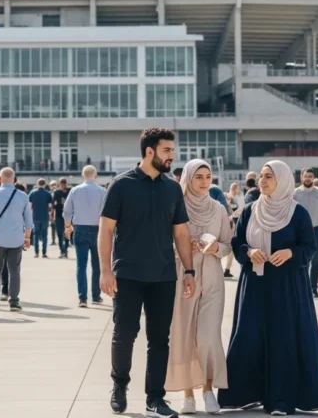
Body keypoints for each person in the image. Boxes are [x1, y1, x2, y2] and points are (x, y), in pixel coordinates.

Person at [218, 160, 318, 415]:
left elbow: (310, 248)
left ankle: (281, 400)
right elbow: (237, 244)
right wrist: (250, 252)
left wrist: (291, 253)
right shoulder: (249, 211)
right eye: (261, 176)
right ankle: (244, 394)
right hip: (255, 285)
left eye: (269, 176)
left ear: (282, 180)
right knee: (248, 336)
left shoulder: (297, 213)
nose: (262, 181)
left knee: (283, 338)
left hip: (287, 287)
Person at [99, 127, 195, 417]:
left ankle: (155, 398)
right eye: (166, 150)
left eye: (172, 150)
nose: (172, 156)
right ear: (149, 151)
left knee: (159, 339)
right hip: (127, 274)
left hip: (164, 275)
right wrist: (105, 271)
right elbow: (106, 231)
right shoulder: (121, 185)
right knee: (125, 333)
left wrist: (189, 270)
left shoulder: (172, 188)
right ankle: (119, 385)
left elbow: (180, 233)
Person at [165, 159, 232, 414]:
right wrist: (182, 246)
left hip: (213, 276)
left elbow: (228, 244)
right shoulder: (175, 207)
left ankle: (208, 390)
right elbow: (164, 243)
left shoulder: (219, 209)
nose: (205, 182)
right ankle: (188, 394)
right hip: (183, 276)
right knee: (184, 336)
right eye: (199, 177)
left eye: (208, 176)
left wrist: (216, 248)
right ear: (188, 180)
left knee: (207, 335)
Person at [0, 167, 33, 311]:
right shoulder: (23, 196)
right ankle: (14, 302)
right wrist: (27, 237)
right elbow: (28, 220)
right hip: (16, 239)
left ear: (0, 178)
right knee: (14, 271)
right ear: (14, 178)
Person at [63, 165, 108, 307]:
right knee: (97, 265)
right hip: (97, 230)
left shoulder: (75, 190)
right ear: (95, 176)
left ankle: (82, 298)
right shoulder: (102, 191)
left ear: (83, 176)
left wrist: (67, 227)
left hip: (80, 229)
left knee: (81, 265)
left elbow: (67, 211)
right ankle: (96, 295)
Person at [293, 169, 318, 298]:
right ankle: (301, 287)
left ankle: (313, 288)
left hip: (317, 229)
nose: (308, 178)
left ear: (313, 177)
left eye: (310, 176)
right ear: (302, 177)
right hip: (300, 230)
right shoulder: (295, 193)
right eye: (306, 176)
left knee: (316, 259)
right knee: (303, 259)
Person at [224, 182, 245, 279]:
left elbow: (241, 208)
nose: (234, 189)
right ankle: (227, 269)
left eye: (235, 187)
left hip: (236, 221)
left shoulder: (240, 196)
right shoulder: (228, 196)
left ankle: (228, 269)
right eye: (232, 187)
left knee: (235, 246)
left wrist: (233, 213)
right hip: (230, 222)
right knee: (230, 246)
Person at [28, 179, 53, 259]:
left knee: (36, 234)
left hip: (35, 216)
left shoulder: (32, 193)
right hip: (45, 216)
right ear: (45, 184)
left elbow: (30, 206)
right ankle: (44, 253)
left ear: (37, 184)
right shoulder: (48, 194)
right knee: (44, 235)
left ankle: (36, 252)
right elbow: (50, 206)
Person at [53, 177, 71, 258]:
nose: (63, 185)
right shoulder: (57, 192)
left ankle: (64, 250)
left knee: (64, 233)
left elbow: (54, 204)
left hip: (65, 215)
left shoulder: (69, 191)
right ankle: (63, 250)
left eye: (63, 184)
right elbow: (54, 204)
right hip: (62, 214)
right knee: (61, 234)